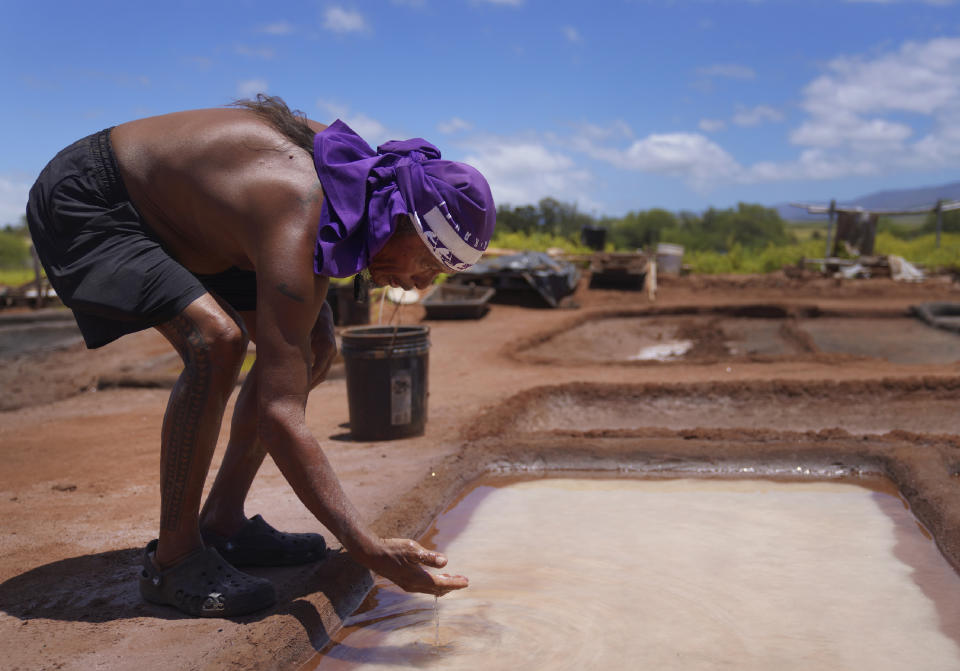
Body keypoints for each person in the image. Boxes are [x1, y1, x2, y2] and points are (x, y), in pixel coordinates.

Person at [25, 95, 495, 617]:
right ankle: (173, 560)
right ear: (399, 222)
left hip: (195, 223)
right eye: (427, 266)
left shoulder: (358, 185)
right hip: (94, 199)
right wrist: (366, 546)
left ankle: (223, 523)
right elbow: (279, 414)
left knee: (315, 345)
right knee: (217, 342)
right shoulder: (300, 207)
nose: (418, 285)